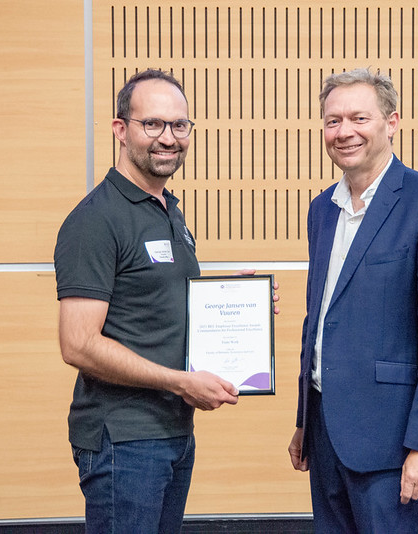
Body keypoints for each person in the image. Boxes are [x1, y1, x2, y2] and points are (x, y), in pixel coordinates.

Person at [54, 69, 277, 533]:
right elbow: (77, 344)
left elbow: (157, 305)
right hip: (125, 439)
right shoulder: (96, 221)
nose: (168, 138)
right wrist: (180, 382)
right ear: (121, 129)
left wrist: (240, 302)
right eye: (152, 124)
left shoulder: (168, 210)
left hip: (172, 432)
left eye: (179, 125)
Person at [287, 68, 418, 533]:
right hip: (326, 434)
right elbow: (322, 319)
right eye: (332, 121)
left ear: (391, 122)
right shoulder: (321, 209)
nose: (343, 132)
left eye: (358, 118)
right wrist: (305, 420)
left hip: (394, 440)